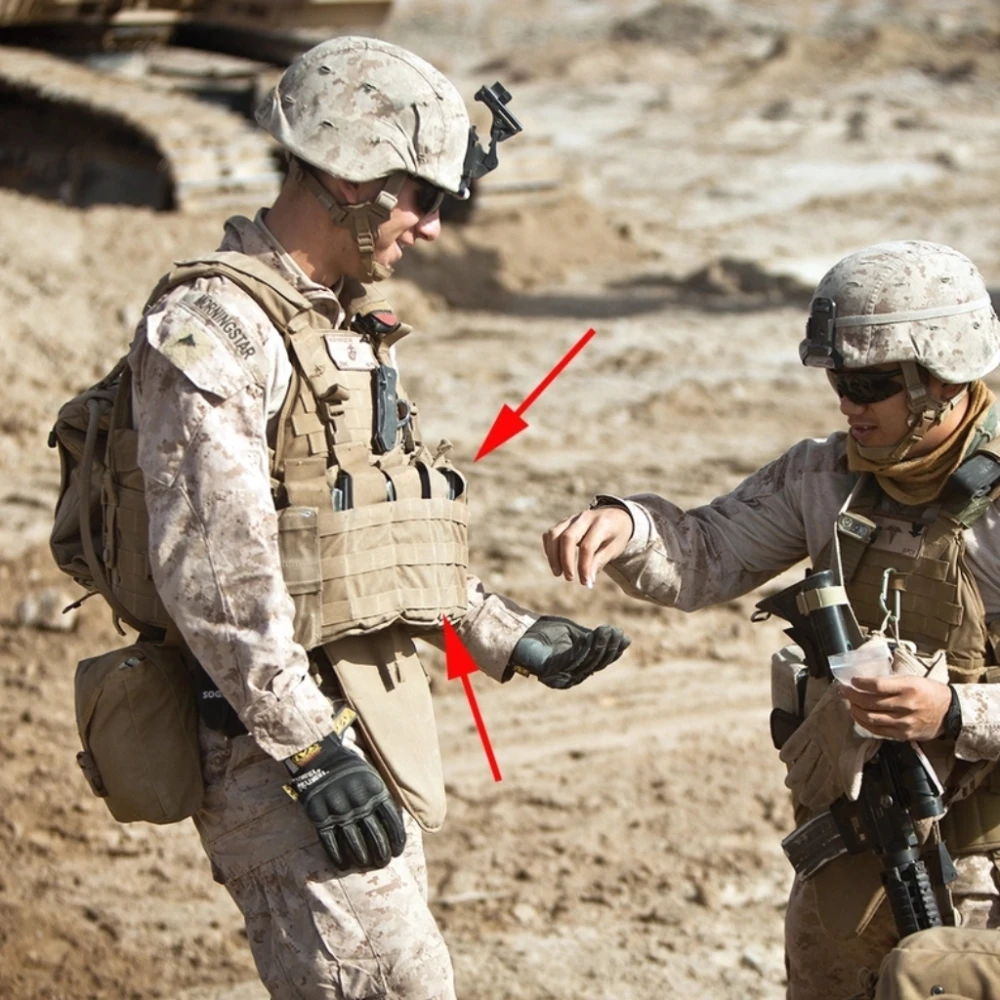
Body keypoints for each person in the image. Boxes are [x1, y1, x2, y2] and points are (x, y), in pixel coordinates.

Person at [122, 36, 629, 1000]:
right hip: (275, 747)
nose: (433, 229)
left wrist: (508, 634)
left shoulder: (341, 329)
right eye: (422, 198)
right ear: (349, 177)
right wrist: (309, 749)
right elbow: (216, 576)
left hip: (361, 730)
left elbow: (373, 527)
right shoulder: (217, 329)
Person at [543, 239, 1000, 1000]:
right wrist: (628, 525)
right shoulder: (827, 477)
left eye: (870, 382)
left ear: (943, 378)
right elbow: (705, 554)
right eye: (837, 380)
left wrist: (954, 710)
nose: (848, 403)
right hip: (862, 830)